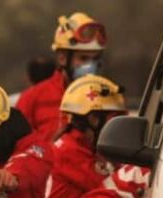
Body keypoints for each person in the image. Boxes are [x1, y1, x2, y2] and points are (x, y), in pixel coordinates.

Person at [16, 12, 108, 141]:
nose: (91, 65)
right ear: (62, 58)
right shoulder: (32, 99)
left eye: (95, 59)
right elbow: (19, 152)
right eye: (83, 58)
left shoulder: (109, 99)